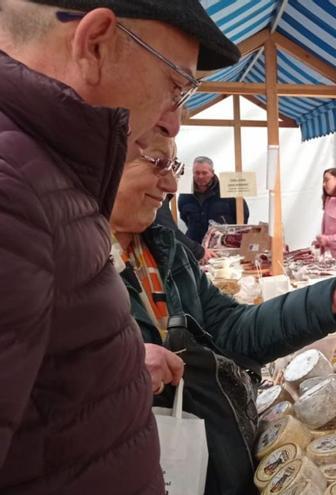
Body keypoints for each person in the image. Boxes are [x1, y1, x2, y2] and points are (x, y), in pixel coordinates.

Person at [0, 0, 239, 492]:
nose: (173, 122)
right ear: (95, 44)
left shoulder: (44, 178)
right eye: (177, 85)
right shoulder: (13, 185)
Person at [112, 133, 336, 495]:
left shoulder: (164, 249)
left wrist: (329, 299)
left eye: (175, 167)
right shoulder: (59, 260)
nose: (172, 183)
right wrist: (116, 369)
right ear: (101, 161)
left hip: (201, 463)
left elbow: (231, 331)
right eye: (158, 163)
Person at [178, 155, 250, 244]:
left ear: (212, 172)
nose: (200, 176)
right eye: (197, 173)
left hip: (222, 245)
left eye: (204, 173)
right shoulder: (185, 194)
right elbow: (184, 217)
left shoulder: (227, 190)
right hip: (195, 246)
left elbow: (243, 215)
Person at [155, 195, 214, 262]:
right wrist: (199, 251)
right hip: (192, 245)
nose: (174, 188)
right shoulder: (184, 197)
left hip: (213, 246)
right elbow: (169, 229)